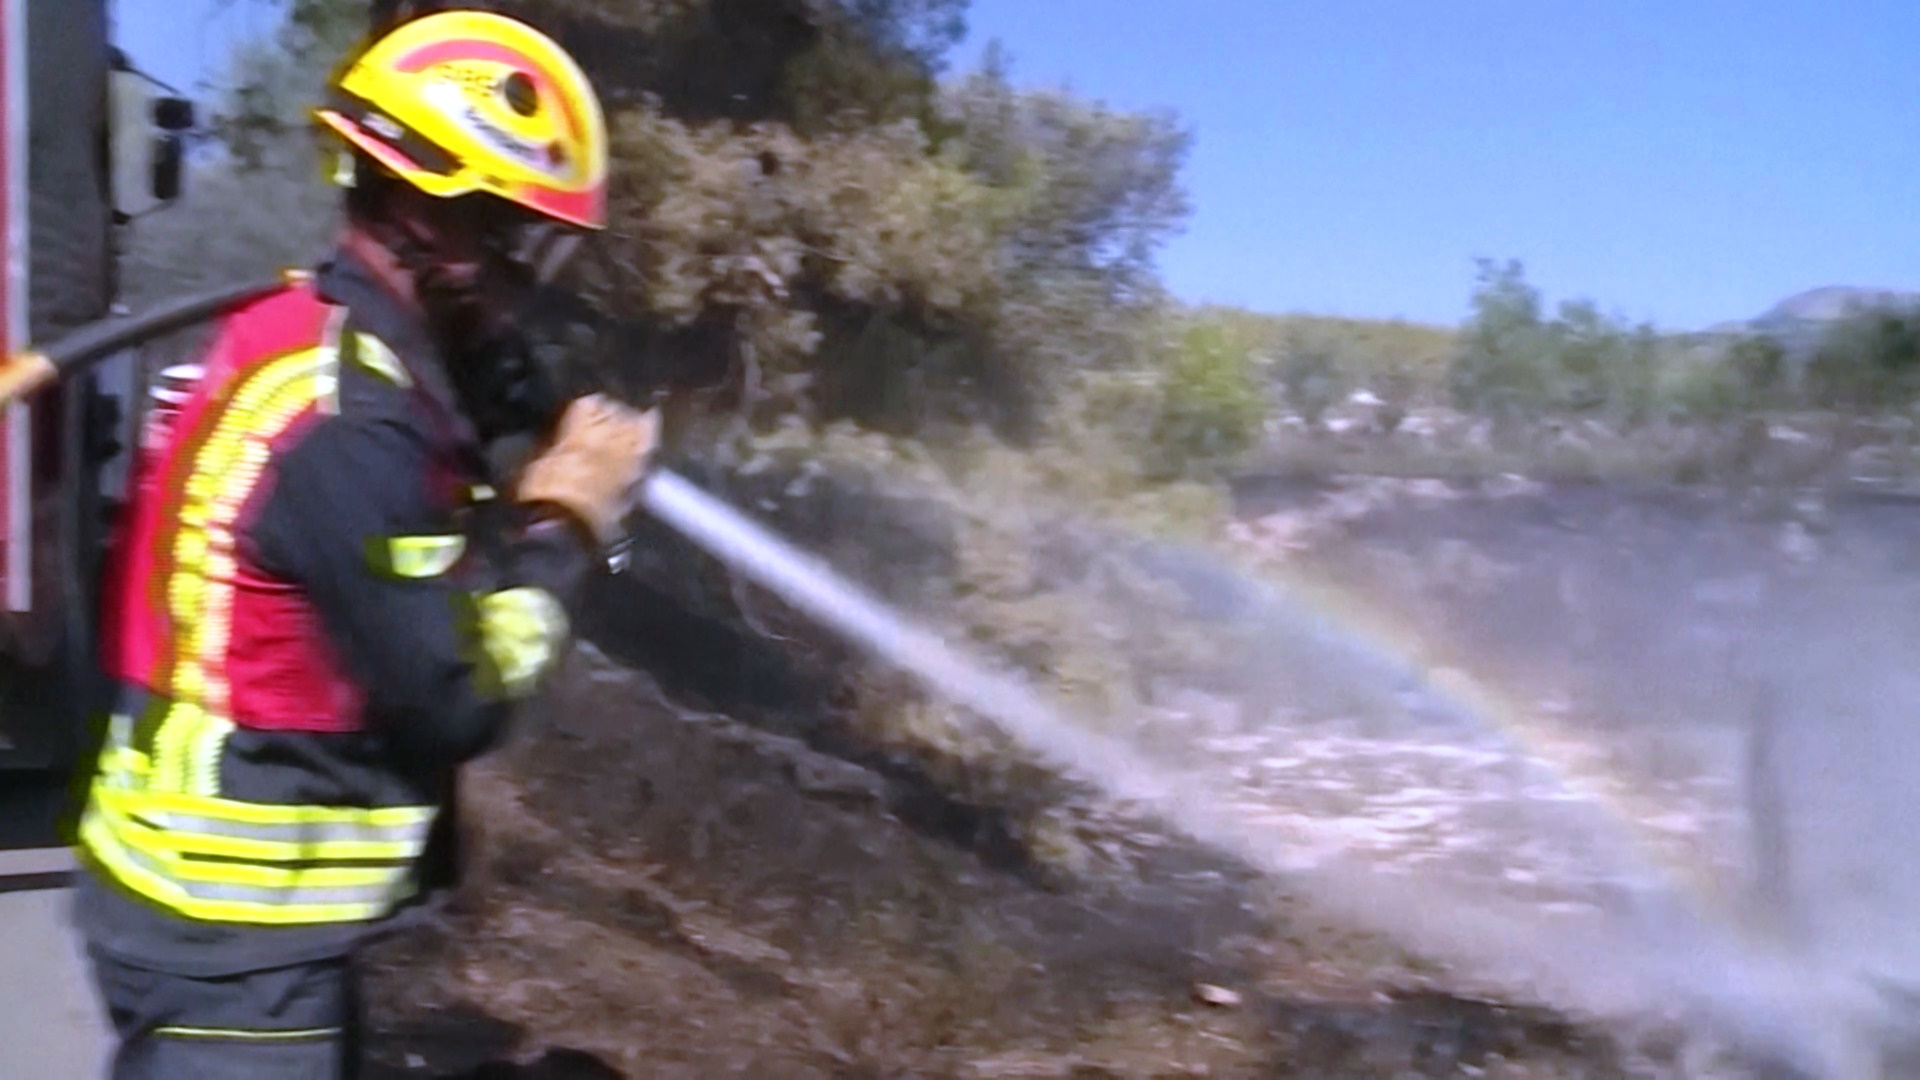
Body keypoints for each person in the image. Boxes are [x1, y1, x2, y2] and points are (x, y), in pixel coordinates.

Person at [69, 8, 652, 1077]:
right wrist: (566, 522)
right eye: (511, 240)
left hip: (229, 916)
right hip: (237, 941)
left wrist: (528, 432)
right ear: (417, 210)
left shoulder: (320, 344)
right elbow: (453, 697)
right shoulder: (348, 425)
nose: (528, 280)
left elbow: (444, 454)